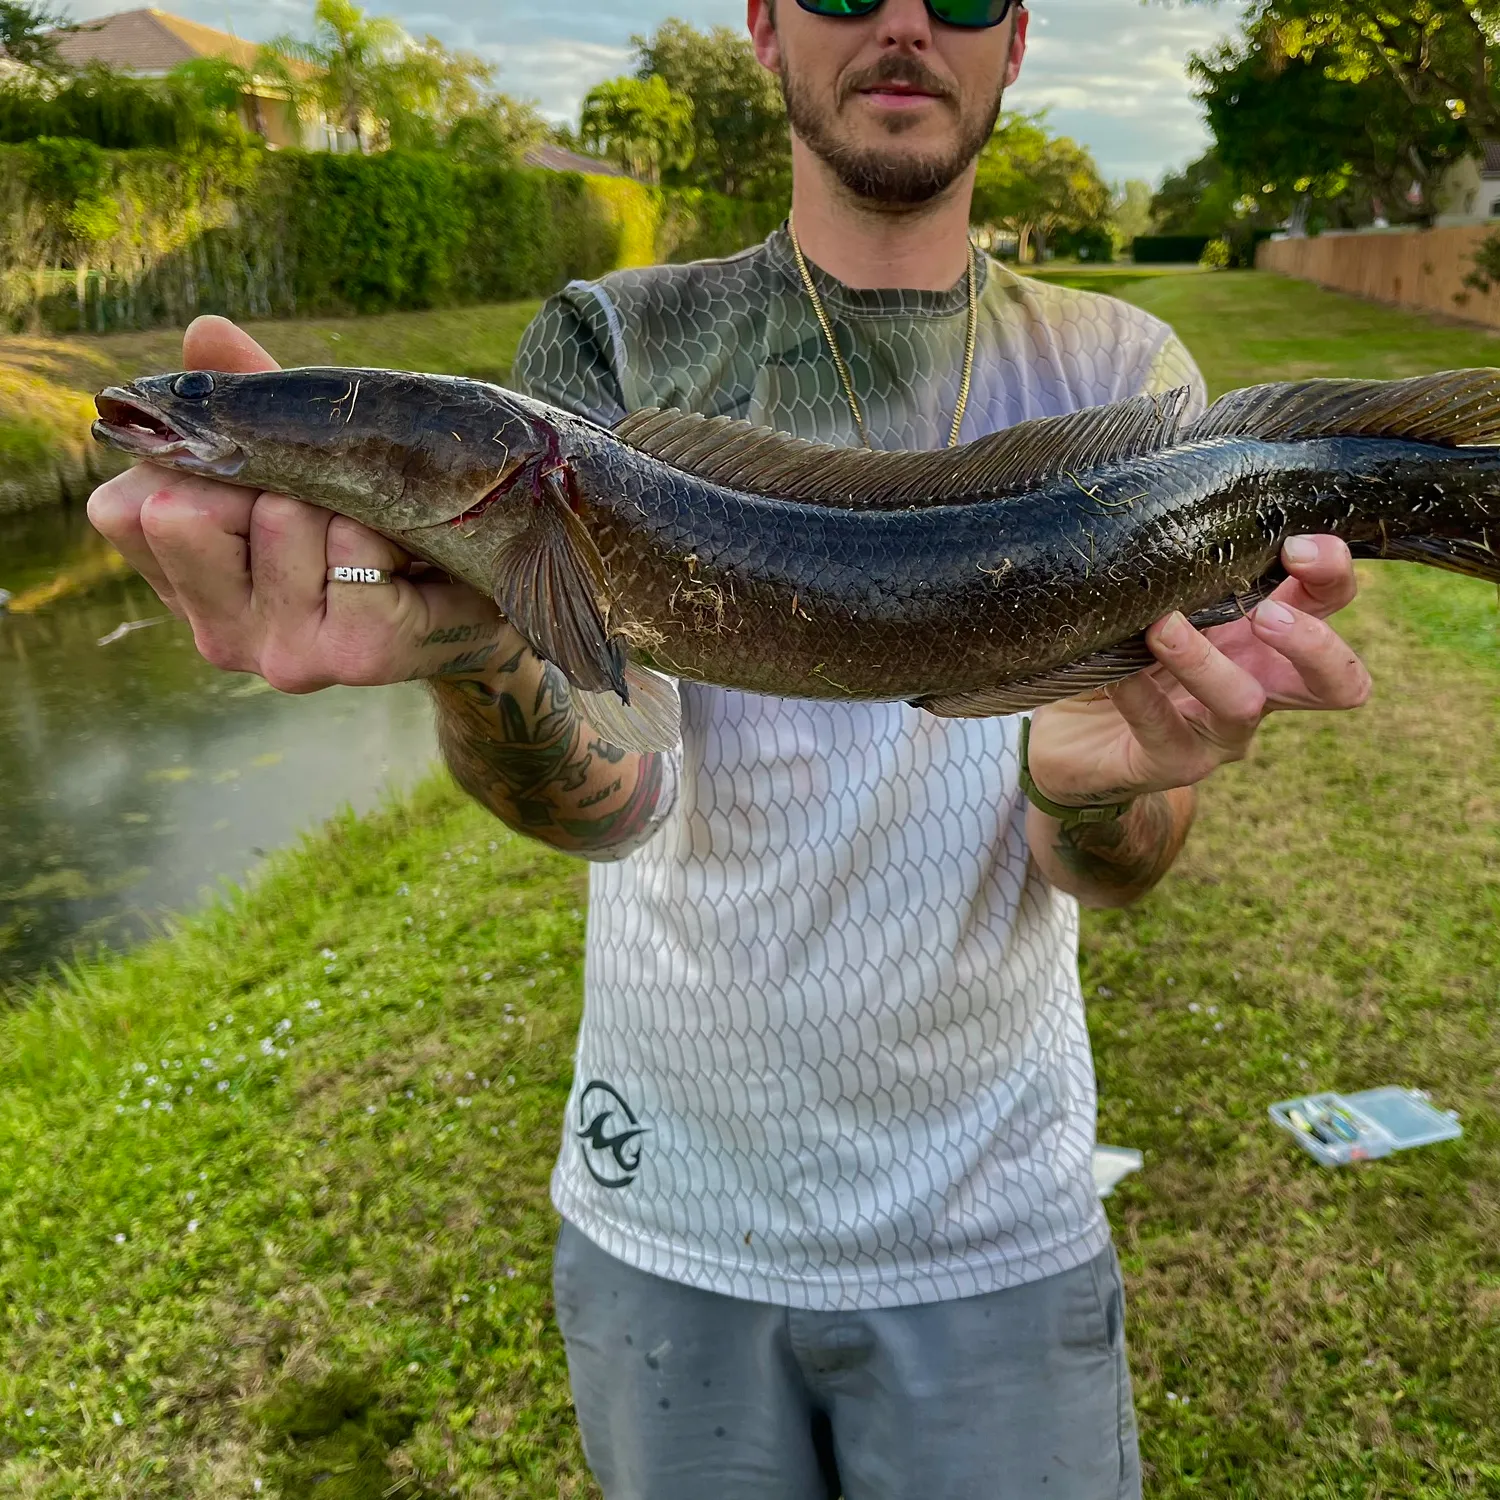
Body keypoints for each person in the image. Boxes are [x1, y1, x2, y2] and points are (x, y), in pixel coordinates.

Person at [88, 1, 1373, 1494]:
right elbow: (607, 797)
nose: (903, 19)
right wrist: (456, 632)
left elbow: (1115, 868)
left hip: (993, 1218)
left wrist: (1101, 786)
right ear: (762, 21)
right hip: (670, 1217)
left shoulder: (1129, 379)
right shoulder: (609, 345)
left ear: (1017, 36)